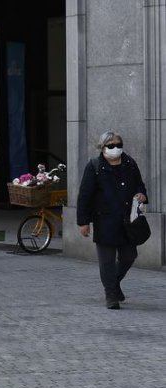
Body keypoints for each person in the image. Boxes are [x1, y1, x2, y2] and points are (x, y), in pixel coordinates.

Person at [76, 130, 148, 310]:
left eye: (118, 145)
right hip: (105, 221)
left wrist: (142, 194)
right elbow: (85, 195)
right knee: (107, 262)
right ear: (102, 148)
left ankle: (114, 285)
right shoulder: (94, 166)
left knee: (129, 255)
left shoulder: (130, 163)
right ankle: (111, 295)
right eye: (111, 145)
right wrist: (83, 222)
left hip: (127, 221)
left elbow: (140, 184)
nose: (116, 148)